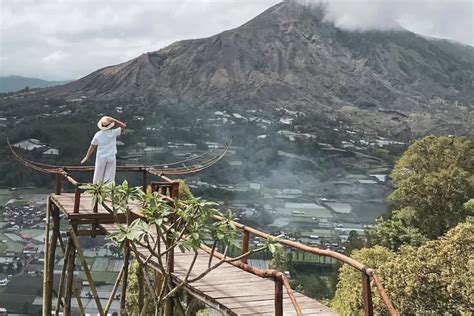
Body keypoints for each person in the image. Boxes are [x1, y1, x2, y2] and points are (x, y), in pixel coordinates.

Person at [81, 116, 126, 184]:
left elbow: (92, 146)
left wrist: (87, 156)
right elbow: (123, 126)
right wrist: (113, 120)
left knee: (98, 174)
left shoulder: (98, 135)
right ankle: (108, 190)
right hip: (111, 156)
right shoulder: (113, 132)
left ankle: (97, 189)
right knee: (110, 176)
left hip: (101, 156)